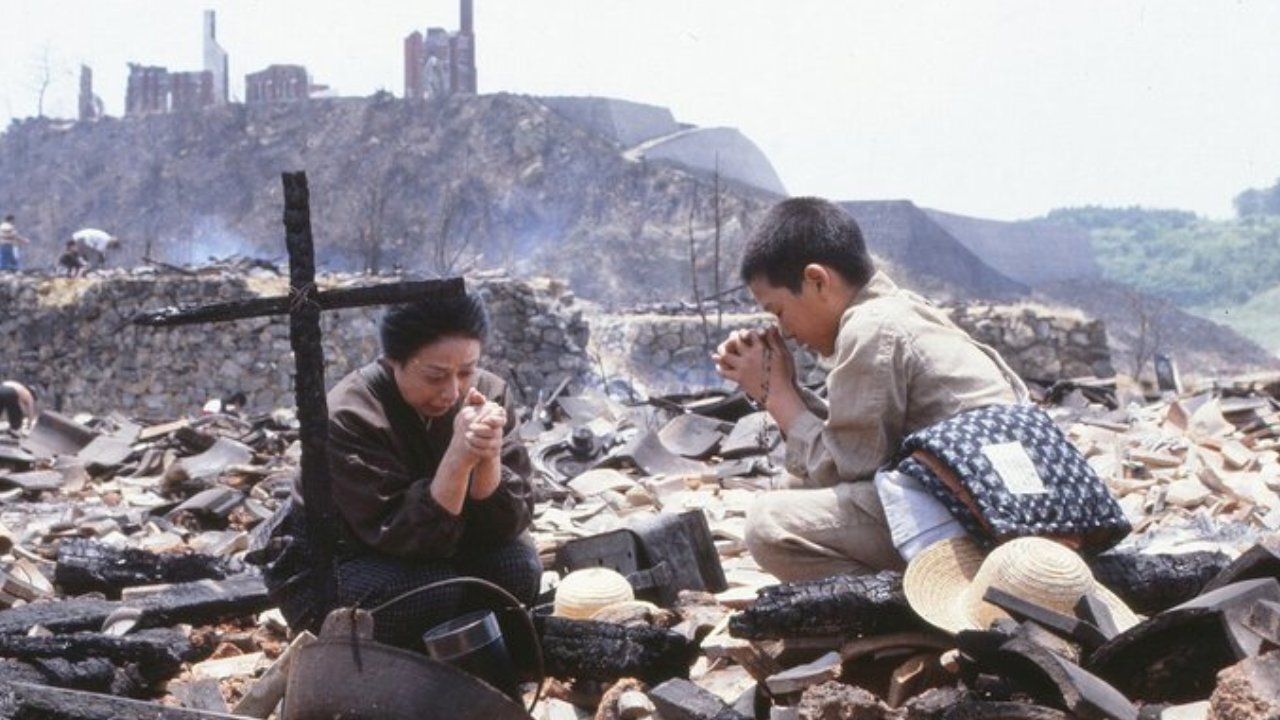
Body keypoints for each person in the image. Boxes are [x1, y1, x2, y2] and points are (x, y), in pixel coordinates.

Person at [713, 197, 1027, 583]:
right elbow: (855, 442)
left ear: (817, 281)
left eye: (778, 311)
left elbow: (844, 469)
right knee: (797, 485)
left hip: (981, 529)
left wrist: (775, 396)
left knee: (768, 525)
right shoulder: (900, 309)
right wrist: (783, 385)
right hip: (1004, 512)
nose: (787, 331)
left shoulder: (871, 329)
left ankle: (917, 608)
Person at [251, 291, 540, 651]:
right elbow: (405, 537)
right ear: (394, 361)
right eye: (435, 375)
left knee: (517, 568)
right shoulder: (350, 415)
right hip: (347, 557)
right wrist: (458, 460)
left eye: (466, 371)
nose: (453, 391)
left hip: (442, 544)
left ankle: (472, 662)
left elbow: (505, 527)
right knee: (429, 592)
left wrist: (488, 456)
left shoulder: (489, 392)